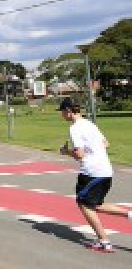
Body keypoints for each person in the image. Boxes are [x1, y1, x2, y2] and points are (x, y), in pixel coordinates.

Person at [57, 97, 132, 253]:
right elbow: (106, 143)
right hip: (106, 170)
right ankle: (128, 215)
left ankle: (105, 242)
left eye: (62, 112)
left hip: (91, 172)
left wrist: (66, 152)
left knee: (84, 204)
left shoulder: (75, 128)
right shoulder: (90, 124)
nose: (62, 115)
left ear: (69, 111)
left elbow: (80, 154)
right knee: (95, 205)